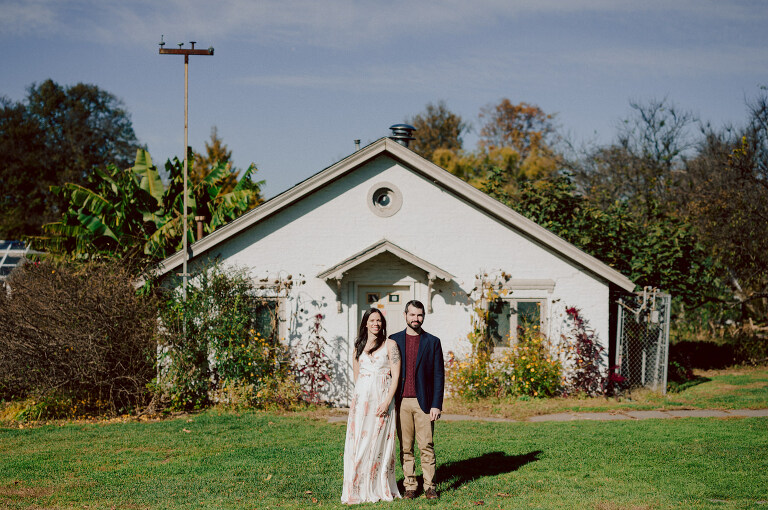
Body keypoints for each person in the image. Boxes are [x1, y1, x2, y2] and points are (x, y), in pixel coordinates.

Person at [341, 308, 402, 504]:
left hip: (382, 400)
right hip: (361, 403)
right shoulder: (358, 346)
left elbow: (396, 376)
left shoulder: (390, 345)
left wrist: (386, 402)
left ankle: (377, 485)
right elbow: (357, 376)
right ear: (365, 323)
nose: (376, 323)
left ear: (382, 324)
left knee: (377, 442)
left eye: (379, 320)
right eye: (372, 320)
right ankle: (356, 486)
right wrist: (359, 401)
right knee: (359, 443)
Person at [390, 300, 445, 500]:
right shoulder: (393, 340)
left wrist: (436, 405)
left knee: (426, 446)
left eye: (419, 315)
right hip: (401, 402)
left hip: (424, 403)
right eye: (412, 315)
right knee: (405, 447)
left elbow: (439, 375)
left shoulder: (432, 342)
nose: (416, 319)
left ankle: (430, 486)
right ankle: (410, 486)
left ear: (423, 316)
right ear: (405, 315)